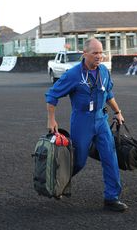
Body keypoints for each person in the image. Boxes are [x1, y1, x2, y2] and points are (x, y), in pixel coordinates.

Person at [45, 38, 128, 212]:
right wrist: (51, 119)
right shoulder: (73, 74)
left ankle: (111, 198)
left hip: (101, 120)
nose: (99, 56)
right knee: (79, 161)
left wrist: (117, 112)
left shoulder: (104, 71)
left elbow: (108, 93)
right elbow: (52, 95)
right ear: (85, 54)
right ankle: (56, 183)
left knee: (110, 157)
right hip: (82, 121)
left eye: (101, 52)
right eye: (95, 53)